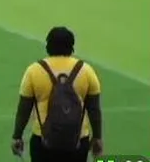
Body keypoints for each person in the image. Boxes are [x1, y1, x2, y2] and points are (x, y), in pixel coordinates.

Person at [11, 26, 103, 162]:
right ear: (71, 47)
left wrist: (17, 136)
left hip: (43, 140)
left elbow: (24, 109)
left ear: (48, 46)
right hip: (77, 140)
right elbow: (94, 110)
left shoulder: (34, 71)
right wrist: (97, 137)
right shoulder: (86, 71)